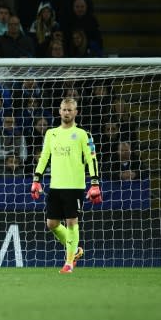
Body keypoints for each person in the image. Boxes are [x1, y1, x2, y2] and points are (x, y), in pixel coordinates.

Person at [30, 98, 101, 274]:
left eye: (70, 110)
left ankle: (69, 262)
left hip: (75, 186)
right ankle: (75, 250)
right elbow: (44, 156)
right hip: (56, 186)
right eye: (64, 109)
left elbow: (92, 159)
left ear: (76, 112)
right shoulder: (51, 133)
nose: (67, 113)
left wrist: (94, 183)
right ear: (59, 111)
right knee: (51, 224)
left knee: (71, 222)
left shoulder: (84, 134)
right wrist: (36, 179)